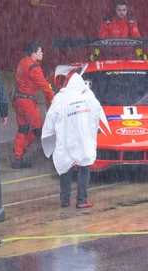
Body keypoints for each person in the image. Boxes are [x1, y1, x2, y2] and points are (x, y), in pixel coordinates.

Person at [42, 73, 102, 209]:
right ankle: (81, 200)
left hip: (66, 139)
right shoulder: (88, 97)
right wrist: (93, 128)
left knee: (65, 168)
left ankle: (64, 199)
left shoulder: (60, 98)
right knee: (84, 167)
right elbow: (97, 112)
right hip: (83, 139)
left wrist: (49, 135)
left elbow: (51, 117)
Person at [12, 42, 55, 169]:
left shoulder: (22, 63)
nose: (42, 53)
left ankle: (17, 157)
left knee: (23, 129)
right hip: (27, 102)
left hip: (18, 100)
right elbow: (44, 86)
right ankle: (21, 149)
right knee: (38, 129)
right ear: (33, 53)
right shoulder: (34, 68)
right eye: (40, 51)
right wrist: (53, 100)